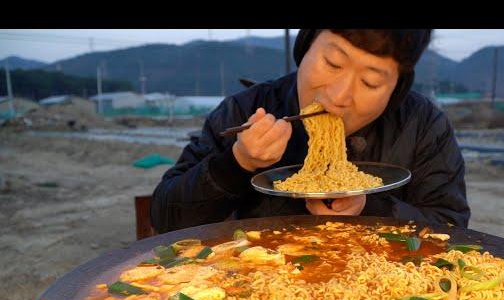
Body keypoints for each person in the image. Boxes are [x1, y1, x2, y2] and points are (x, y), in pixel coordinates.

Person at [151, 29, 470, 233]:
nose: (340, 95)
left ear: (395, 90)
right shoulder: (245, 109)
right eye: (332, 63)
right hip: (256, 290)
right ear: (306, 48)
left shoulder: (423, 125)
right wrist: (237, 163)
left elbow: (452, 229)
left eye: (370, 82)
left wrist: (370, 208)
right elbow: (166, 219)